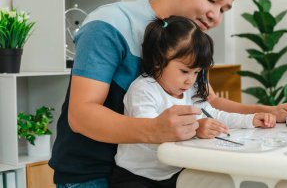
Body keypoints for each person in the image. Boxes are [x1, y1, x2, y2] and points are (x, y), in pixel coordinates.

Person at [49, 0, 287, 188]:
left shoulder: (189, 40)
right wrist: (155, 130)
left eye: (223, 9)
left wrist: (269, 111)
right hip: (93, 174)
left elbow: (209, 102)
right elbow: (81, 115)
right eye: (212, 0)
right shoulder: (110, 26)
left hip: (162, 169)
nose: (216, 16)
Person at [110, 16, 277, 188]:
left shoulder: (191, 89)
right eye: (184, 71)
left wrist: (250, 119)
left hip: (174, 172)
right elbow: (151, 134)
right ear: (158, 61)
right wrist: (196, 129)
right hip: (135, 177)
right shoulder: (143, 90)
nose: (190, 80)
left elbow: (213, 114)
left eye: (196, 72)